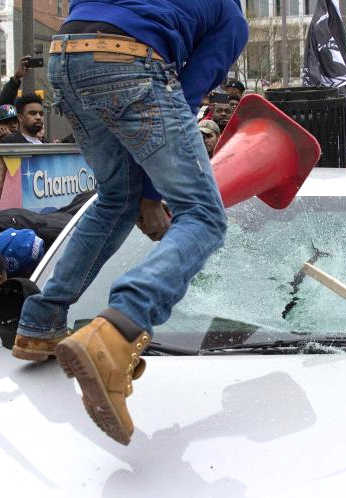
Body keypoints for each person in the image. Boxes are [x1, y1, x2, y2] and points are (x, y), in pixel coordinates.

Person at [10, 0, 248, 446]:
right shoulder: (230, 16)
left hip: (65, 57)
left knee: (115, 199)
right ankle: (120, 328)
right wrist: (155, 196)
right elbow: (187, 93)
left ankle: (41, 323)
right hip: (129, 60)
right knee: (203, 215)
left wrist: (140, 195)